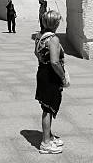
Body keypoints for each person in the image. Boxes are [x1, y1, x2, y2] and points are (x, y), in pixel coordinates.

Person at [35, 10, 69, 154]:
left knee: (46, 107)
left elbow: (36, 53)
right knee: (48, 109)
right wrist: (62, 77)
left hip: (42, 72)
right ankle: (45, 143)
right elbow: (55, 62)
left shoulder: (40, 36)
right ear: (55, 23)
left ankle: (48, 135)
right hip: (51, 75)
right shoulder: (53, 39)